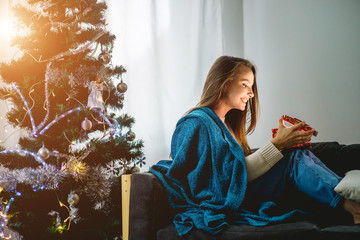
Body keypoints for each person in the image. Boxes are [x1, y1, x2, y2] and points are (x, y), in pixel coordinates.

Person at [150, 56, 360, 236]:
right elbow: (222, 180)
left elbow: (234, 170)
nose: (251, 93)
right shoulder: (196, 122)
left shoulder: (226, 124)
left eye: (251, 86)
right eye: (245, 85)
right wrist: (276, 145)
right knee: (294, 159)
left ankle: (348, 196)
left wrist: (286, 143)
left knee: (297, 152)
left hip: (241, 190)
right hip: (231, 196)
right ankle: (352, 205)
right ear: (224, 83)